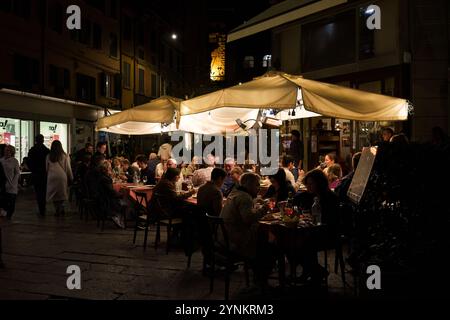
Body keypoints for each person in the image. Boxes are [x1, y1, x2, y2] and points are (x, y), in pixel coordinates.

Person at [220, 172, 273, 287]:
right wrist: (265, 208)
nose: (258, 188)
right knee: (270, 247)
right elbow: (249, 219)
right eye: (256, 185)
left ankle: (257, 275)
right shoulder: (245, 198)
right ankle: (261, 280)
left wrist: (255, 203)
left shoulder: (234, 193)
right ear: (249, 185)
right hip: (236, 241)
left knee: (264, 241)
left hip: (224, 237)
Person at [297, 169, 339, 284]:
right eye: (307, 184)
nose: (308, 187)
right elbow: (296, 201)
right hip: (314, 231)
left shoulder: (330, 198)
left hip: (328, 233)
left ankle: (314, 272)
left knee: (302, 244)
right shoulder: (311, 196)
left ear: (319, 183)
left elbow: (330, 222)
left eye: (311, 184)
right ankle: (315, 271)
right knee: (292, 243)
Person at [46, 140, 73, 216]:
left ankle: (57, 209)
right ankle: (61, 207)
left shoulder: (49, 156)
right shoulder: (65, 156)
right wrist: (71, 177)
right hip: (62, 176)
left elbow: (46, 168)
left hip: (51, 177)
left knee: (54, 194)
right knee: (61, 194)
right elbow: (68, 168)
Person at [27, 134, 50, 216]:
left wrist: (33, 169)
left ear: (36, 140)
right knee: (43, 192)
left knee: (38, 192)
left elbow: (29, 162)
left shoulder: (32, 150)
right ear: (43, 140)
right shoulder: (46, 150)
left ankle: (41, 209)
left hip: (36, 174)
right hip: (44, 174)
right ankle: (43, 208)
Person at [0, 145, 20, 219]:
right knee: (3, 200)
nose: (6, 152)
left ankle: (9, 215)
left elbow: (17, 172)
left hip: (11, 184)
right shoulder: (1, 160)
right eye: (5, 150)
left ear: (12, 152)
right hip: (3, 184)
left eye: (8, 150)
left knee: (11, 201)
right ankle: (4, 212)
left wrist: (14, 182)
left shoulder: (14, 161)